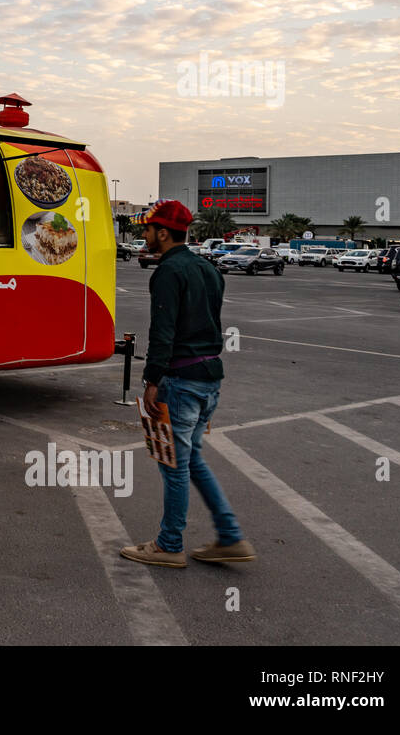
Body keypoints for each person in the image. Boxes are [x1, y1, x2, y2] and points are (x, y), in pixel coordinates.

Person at [121, 200, 255, 568]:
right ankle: (229, 536)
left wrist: (152, 380)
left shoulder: (168, 271)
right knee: (191, 459)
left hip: (180, 382)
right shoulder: (208, 268)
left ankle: (169, 544)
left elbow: (163, 331)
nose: (143, 235)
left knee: (174, 465)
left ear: (163, 233)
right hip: (209, 378)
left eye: (147, 229)